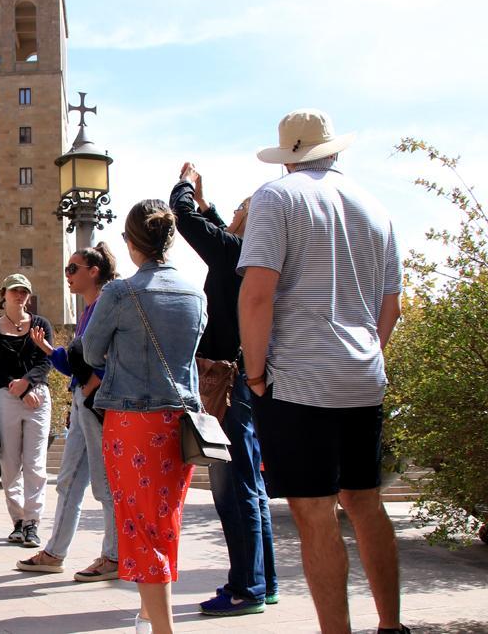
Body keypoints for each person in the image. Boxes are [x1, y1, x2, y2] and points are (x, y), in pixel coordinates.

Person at [237, 109, 407, 634]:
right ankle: (391, 627)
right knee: (365, 503)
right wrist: (366, 356)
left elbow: (258, 293)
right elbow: (392, 305)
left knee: (314, 515)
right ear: (333, 150)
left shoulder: (277, 197)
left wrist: (258, 374)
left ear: (289, 156)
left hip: (299, 378)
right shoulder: (374, 206)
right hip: (362, 377)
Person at [82, 199, 207, 634]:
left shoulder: (120, 293)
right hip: (181, 423)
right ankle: (150, 615)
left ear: (131, 241)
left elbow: (91, 351)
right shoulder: (195, 293)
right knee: (165, 521)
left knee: (139, 524)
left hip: (133, 422)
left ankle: (162, 629)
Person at [171, 163, 278, 616]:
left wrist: (182, 187)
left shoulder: (236, 253)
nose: (230, 213)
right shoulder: (253, 258)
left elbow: (187, 221)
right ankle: (262, 581)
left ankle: (244, 589)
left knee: (232, 488)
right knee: (250, 486)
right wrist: (209, 202)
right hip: (248, 384)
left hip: (226, 386)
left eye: (239, 209)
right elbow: (216, 232)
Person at [17, 243, 121, 582]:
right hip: (83, 402)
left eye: (73, 268)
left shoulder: (107, 302)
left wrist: (91, 386)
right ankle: (55, 552)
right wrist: (49, 350)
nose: (68, 275)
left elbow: (115, 352)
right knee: (69, 481)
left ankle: (114, 556)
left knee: (104, 483)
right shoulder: (89, 308)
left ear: (94, 271)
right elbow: (77, 362)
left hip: (96, 403)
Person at [0, 273, 54, 548]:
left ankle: (33, 523)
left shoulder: (41, 325)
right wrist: (17, 387)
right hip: (7, 395)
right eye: (15, 290)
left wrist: (28, 384)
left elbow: (46, 359)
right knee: (10, 463)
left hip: (37, 396)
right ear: (4, 294)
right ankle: (18, 521)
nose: (20, 295)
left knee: (35, 464)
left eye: (24, 291)